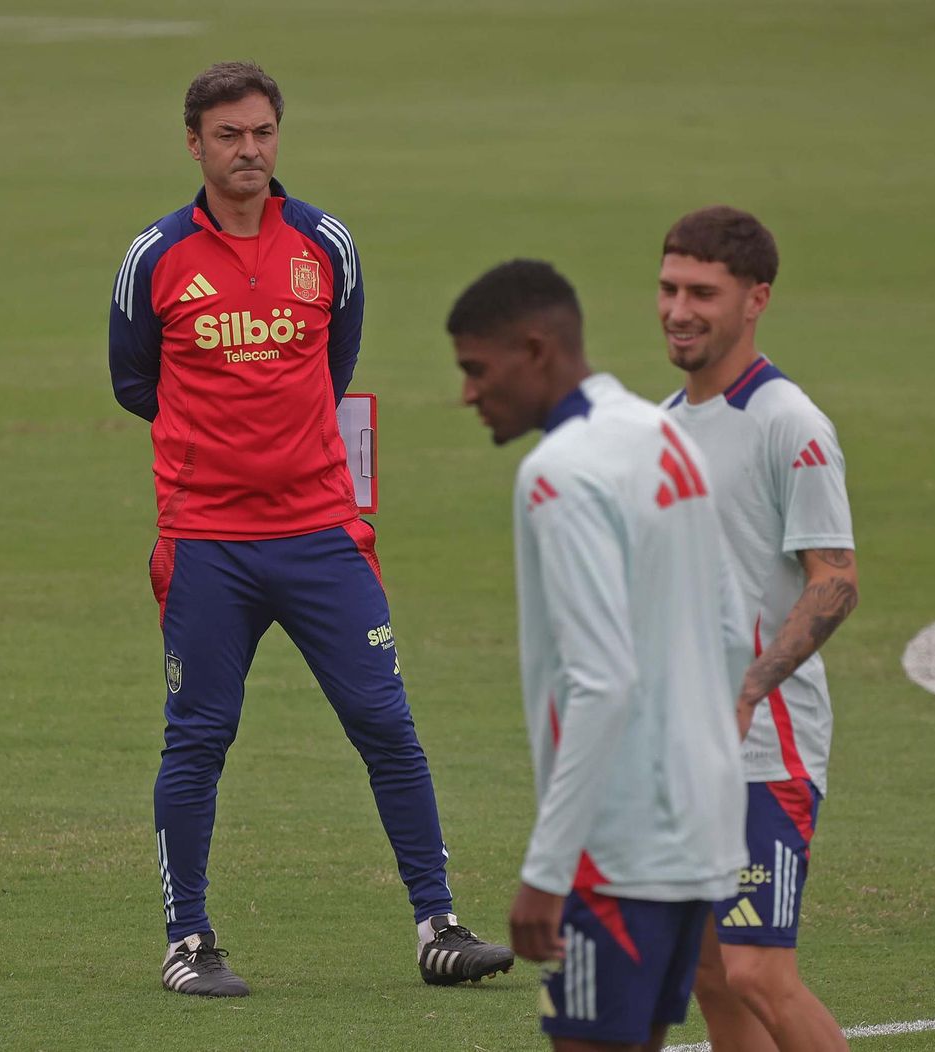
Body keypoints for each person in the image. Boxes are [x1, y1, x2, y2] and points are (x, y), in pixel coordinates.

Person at [108, 61, 512, 998]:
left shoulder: (325, 244)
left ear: (277, 136)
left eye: (261, 132)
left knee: (386, 723)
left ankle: (438, 924)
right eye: (227, 135)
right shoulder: (155, 256)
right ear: (194, 144)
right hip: (207, 543)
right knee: (199, 737)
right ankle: (189, 940)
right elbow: (135, 383)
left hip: (323, 536)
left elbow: (336, 364)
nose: (247, 150)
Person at [448, 259, 748, 1052]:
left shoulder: (560, 473)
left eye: (478, 370)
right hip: (700, 825)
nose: (469, 394)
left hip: (615, 848)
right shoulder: (661, 432)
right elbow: (730, 623)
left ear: (535, 349)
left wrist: (549, 868)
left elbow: (601, 681)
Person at [658, 206, 858, 1052]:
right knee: (707, 972)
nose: (678, 309)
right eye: (669, 288)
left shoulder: (789, 424)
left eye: (703, 292)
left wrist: (749, 686)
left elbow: (836, 581)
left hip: (765, 747)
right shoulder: (666, 422)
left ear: (755, 300)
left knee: (757, 972)